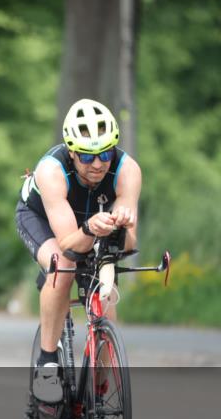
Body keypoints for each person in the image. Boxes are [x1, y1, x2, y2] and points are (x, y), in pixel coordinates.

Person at [15, 99, 140, 403]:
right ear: (71, 151)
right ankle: (47, 363)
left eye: (105, 153)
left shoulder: (128, 170)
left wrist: (120, 225)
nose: (97, 164)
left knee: (105, 284)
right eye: (86, 156)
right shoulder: (51, 171)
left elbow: (130, 244)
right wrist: (89, 230)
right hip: (44, 218)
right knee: (63, 266)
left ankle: (101, 375)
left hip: (93, 220)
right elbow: (70, 242)